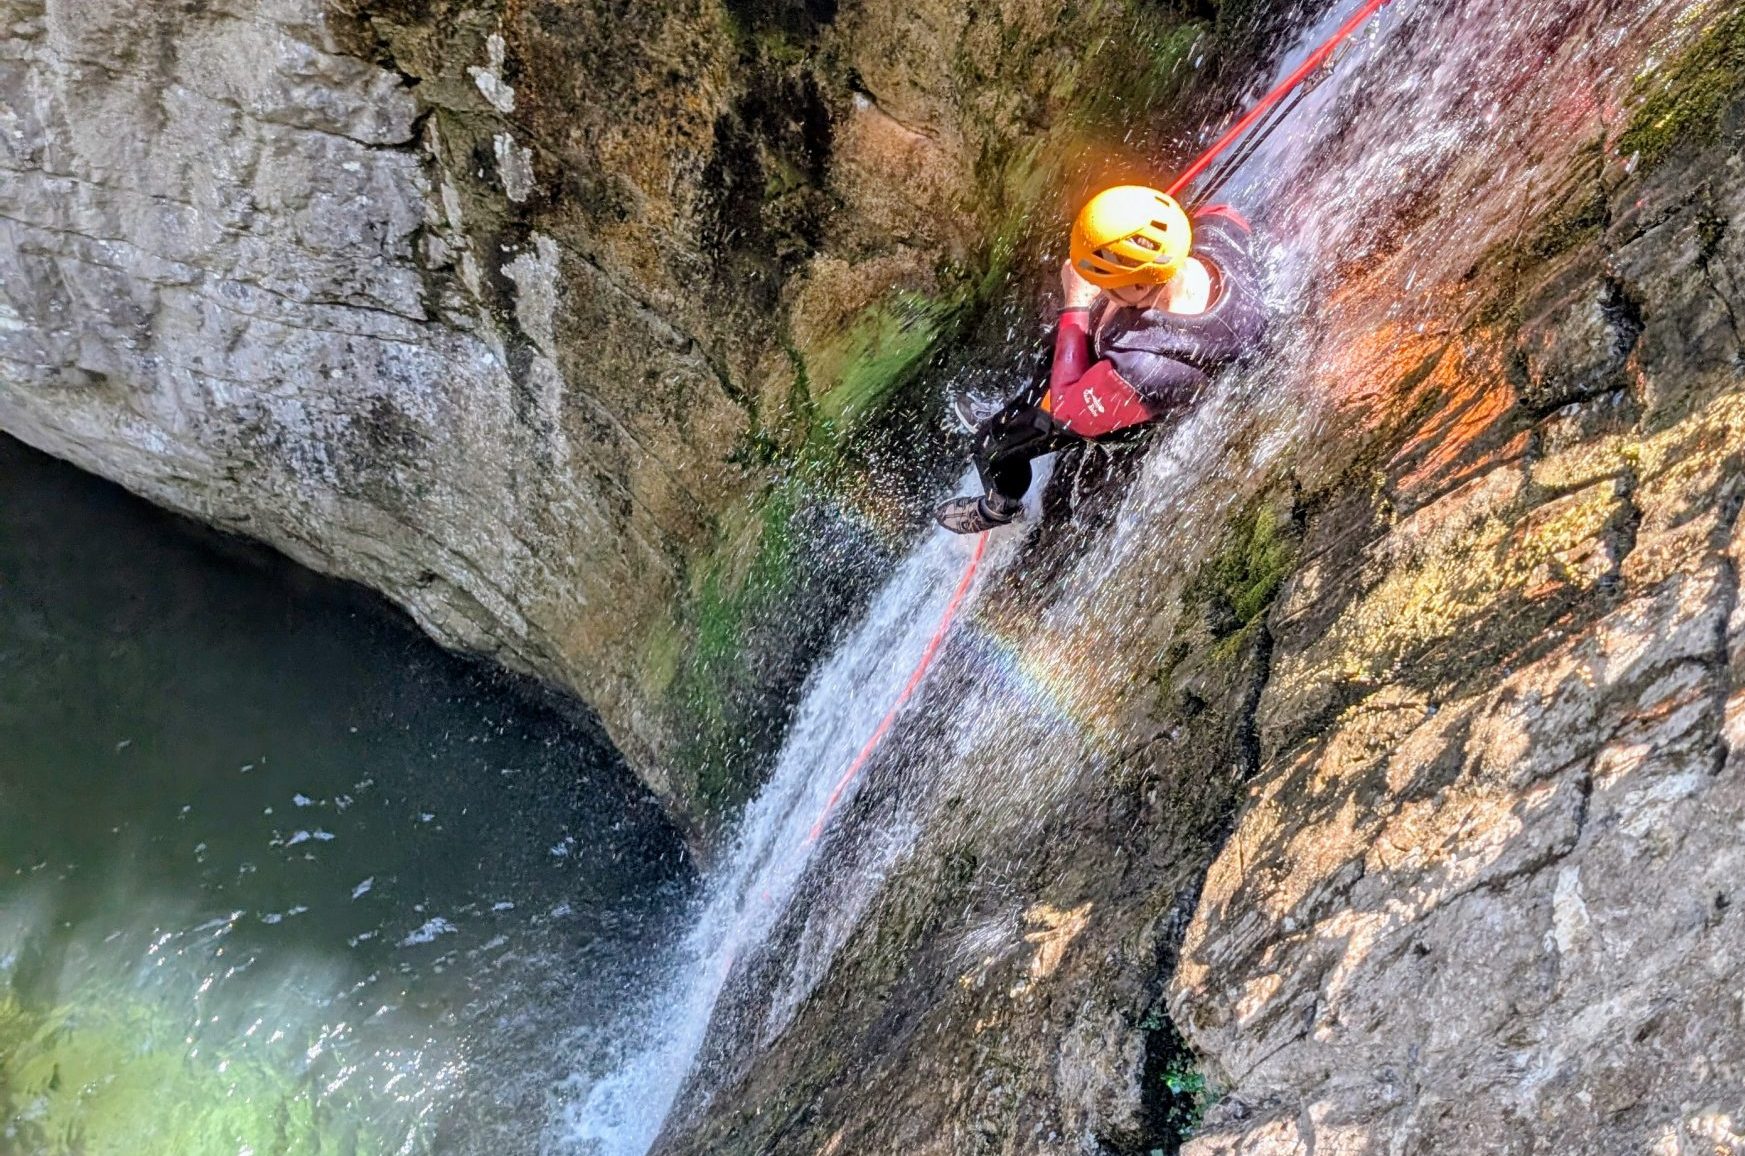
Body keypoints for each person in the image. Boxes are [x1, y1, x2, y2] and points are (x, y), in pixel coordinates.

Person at [934, 185, 1267, 534]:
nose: (1094, 283)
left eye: (1104, 280)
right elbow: (1216, 214)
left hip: (1127, 408)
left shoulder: (1144, 370)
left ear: (1139, 287)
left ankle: (1000, 506)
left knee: (992, 444)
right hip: (1146, 349)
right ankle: (1025, 397)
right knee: (1069, 331)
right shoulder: (1217, 232)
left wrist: (1077, 298)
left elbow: (1066, 409)